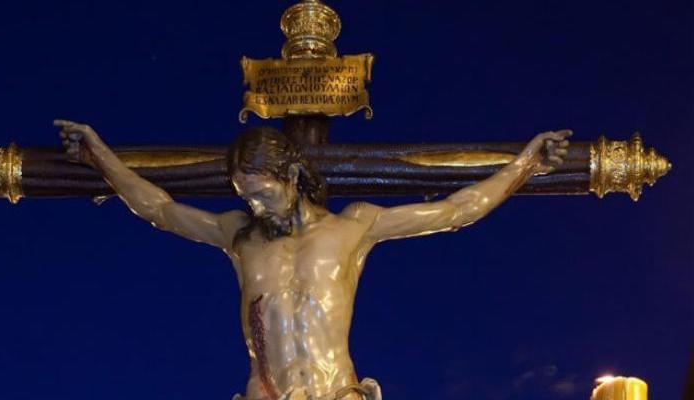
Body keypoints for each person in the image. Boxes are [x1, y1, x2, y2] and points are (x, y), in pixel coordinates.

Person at [54, 119, 571, 400]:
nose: (254, 207)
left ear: (293, 177)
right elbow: (160, 209)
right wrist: (100, 156)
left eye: (263, 194)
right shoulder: (239, 236)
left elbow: (457, 210)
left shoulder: (355, 227)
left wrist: (525, 163)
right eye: (246, 196)